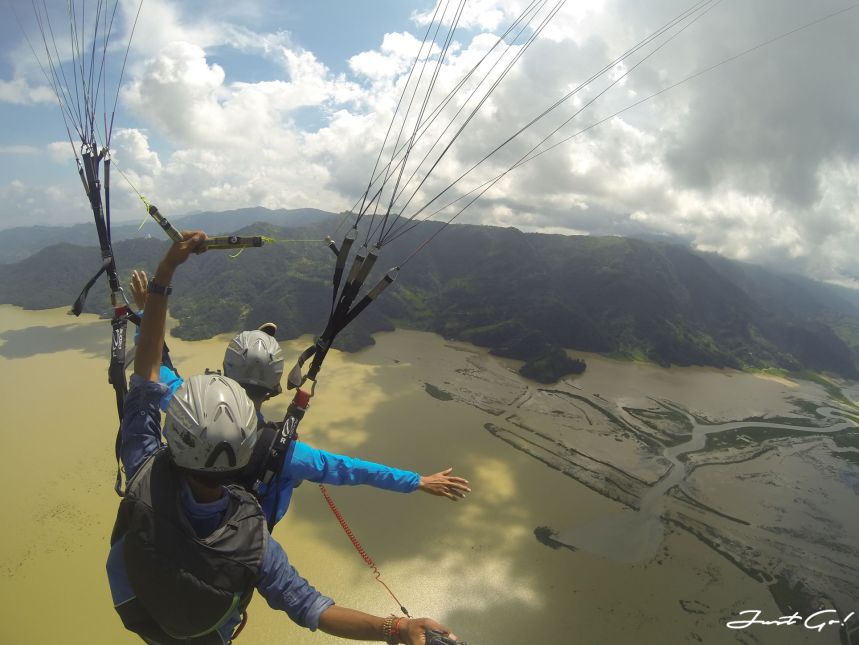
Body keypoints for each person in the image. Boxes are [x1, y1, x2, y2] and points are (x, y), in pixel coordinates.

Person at [108, 231, 458, 645]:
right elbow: (312, 603)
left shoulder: (147, 461)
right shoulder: (257, 537)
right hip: (205, 630)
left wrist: (160, 286)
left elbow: (149, 370)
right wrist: (396, 627)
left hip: (137, 603)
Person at [128, 270, 471, 529]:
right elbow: (351, 470)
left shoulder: (187, 404)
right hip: (232, 549)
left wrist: (147, 313)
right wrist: (418, 481)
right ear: (275, 385)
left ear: (225, 370)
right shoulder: (283, 452)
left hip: (171, 526)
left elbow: (154, 370)